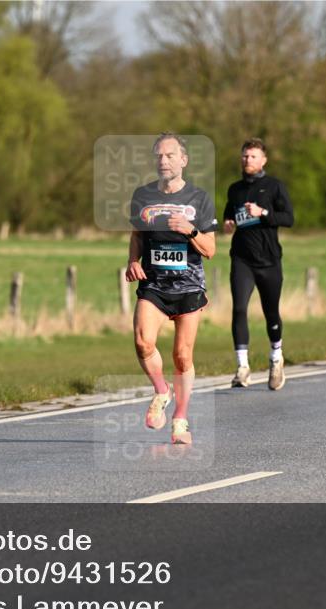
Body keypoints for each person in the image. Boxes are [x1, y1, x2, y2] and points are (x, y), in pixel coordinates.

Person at [125, 133, 217, 445]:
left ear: (183, 160)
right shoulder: (143, 195)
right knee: (142, 343)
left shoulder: (199, 198)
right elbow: (137, 235)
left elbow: (210, 249)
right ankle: (162, 391)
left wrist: (190, 230)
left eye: (169, 156)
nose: (163, 161)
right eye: (159, 157)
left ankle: (180, 418)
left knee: (182, 356)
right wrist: (132, 260)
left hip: (188, 286)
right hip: (154, 284)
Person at [222, 138, 295, 390]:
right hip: (242, 259)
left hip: (269, 260)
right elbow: (228, 216)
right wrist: (228, 224)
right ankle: (242, 367)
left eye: (253, 156)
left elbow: (289, 218)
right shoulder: (234, 189)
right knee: (239, 308)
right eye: (244, 156)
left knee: (270, 312)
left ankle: (276, 358)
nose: (247, 160)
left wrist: (262, 213)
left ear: (263, 160)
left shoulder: (274, 186)